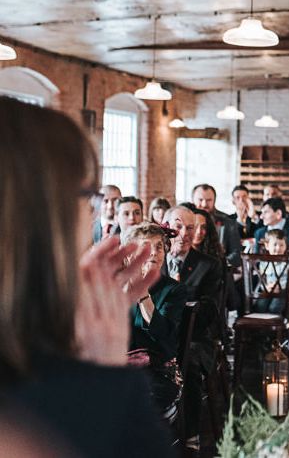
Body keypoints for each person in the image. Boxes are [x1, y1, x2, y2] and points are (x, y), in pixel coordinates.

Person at [0, 95, 174, 458]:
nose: (95, 216)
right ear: (50, 211)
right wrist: (105, 371)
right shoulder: (55, 386)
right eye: (90, 198)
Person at [161, 205, 223, 446]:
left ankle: (190, 434)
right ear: (165, 227)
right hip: (158, 335)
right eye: (178, 226)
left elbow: (210, 311)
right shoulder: (155, 259)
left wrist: (179, 295)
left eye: (190, 227)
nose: (184, 233)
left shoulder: (208, 265)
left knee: (188, 363)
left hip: (195, 338)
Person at [125, 222, 187, 419]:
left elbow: (162, 335)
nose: (153, 252)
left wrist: (143, 293)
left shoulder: (174, 290)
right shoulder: (116, 287)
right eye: (145, 247)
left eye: (158, 247)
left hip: (158, 373)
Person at [192, 184, 242, 267]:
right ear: (193, 200)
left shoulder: (227, 222)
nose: (204, 204)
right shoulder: (184, 222)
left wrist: (217, 264)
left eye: (209, 200)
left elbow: (236, 254)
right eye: (200, 200)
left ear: (214, 201)